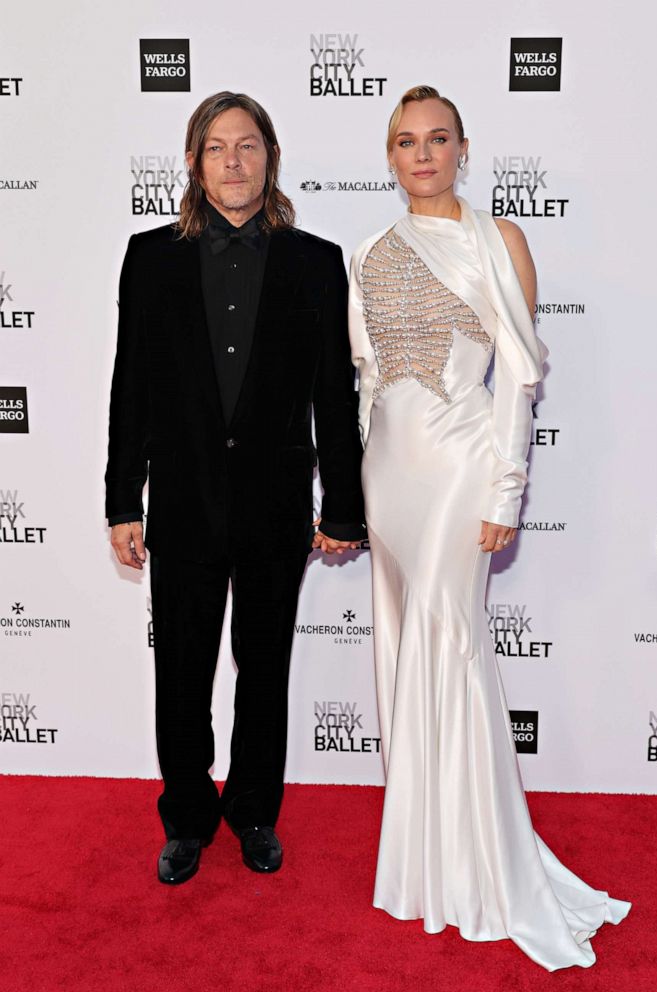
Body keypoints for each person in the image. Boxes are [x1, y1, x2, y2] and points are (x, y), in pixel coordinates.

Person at [348, 85, 629, 970]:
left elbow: (517, 380)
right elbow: (364, 382)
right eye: (405, 142)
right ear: (388, 156)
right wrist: (349, 494)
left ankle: (479, 867)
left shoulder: (498, 240)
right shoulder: (368, 250)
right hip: (386, 477)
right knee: (400, 655)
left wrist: (504, 493)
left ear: (463, 150)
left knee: (452, 649)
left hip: (462, 469)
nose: (422, 155)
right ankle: (422, 861)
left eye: (437, 139)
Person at [105, 91, 364, 885]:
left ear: (269, 157)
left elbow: (334, 398)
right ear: (194, 162)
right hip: (181, 502)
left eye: (247, 146)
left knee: (265, 666)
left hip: (274, 502)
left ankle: (252, 810)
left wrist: (344, 507)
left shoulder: (316, 261)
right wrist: (123, 500)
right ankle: (187, 815)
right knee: (180, 668)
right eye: (216, 148)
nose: (233, 161)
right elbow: (131, 389)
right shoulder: (149, 257)